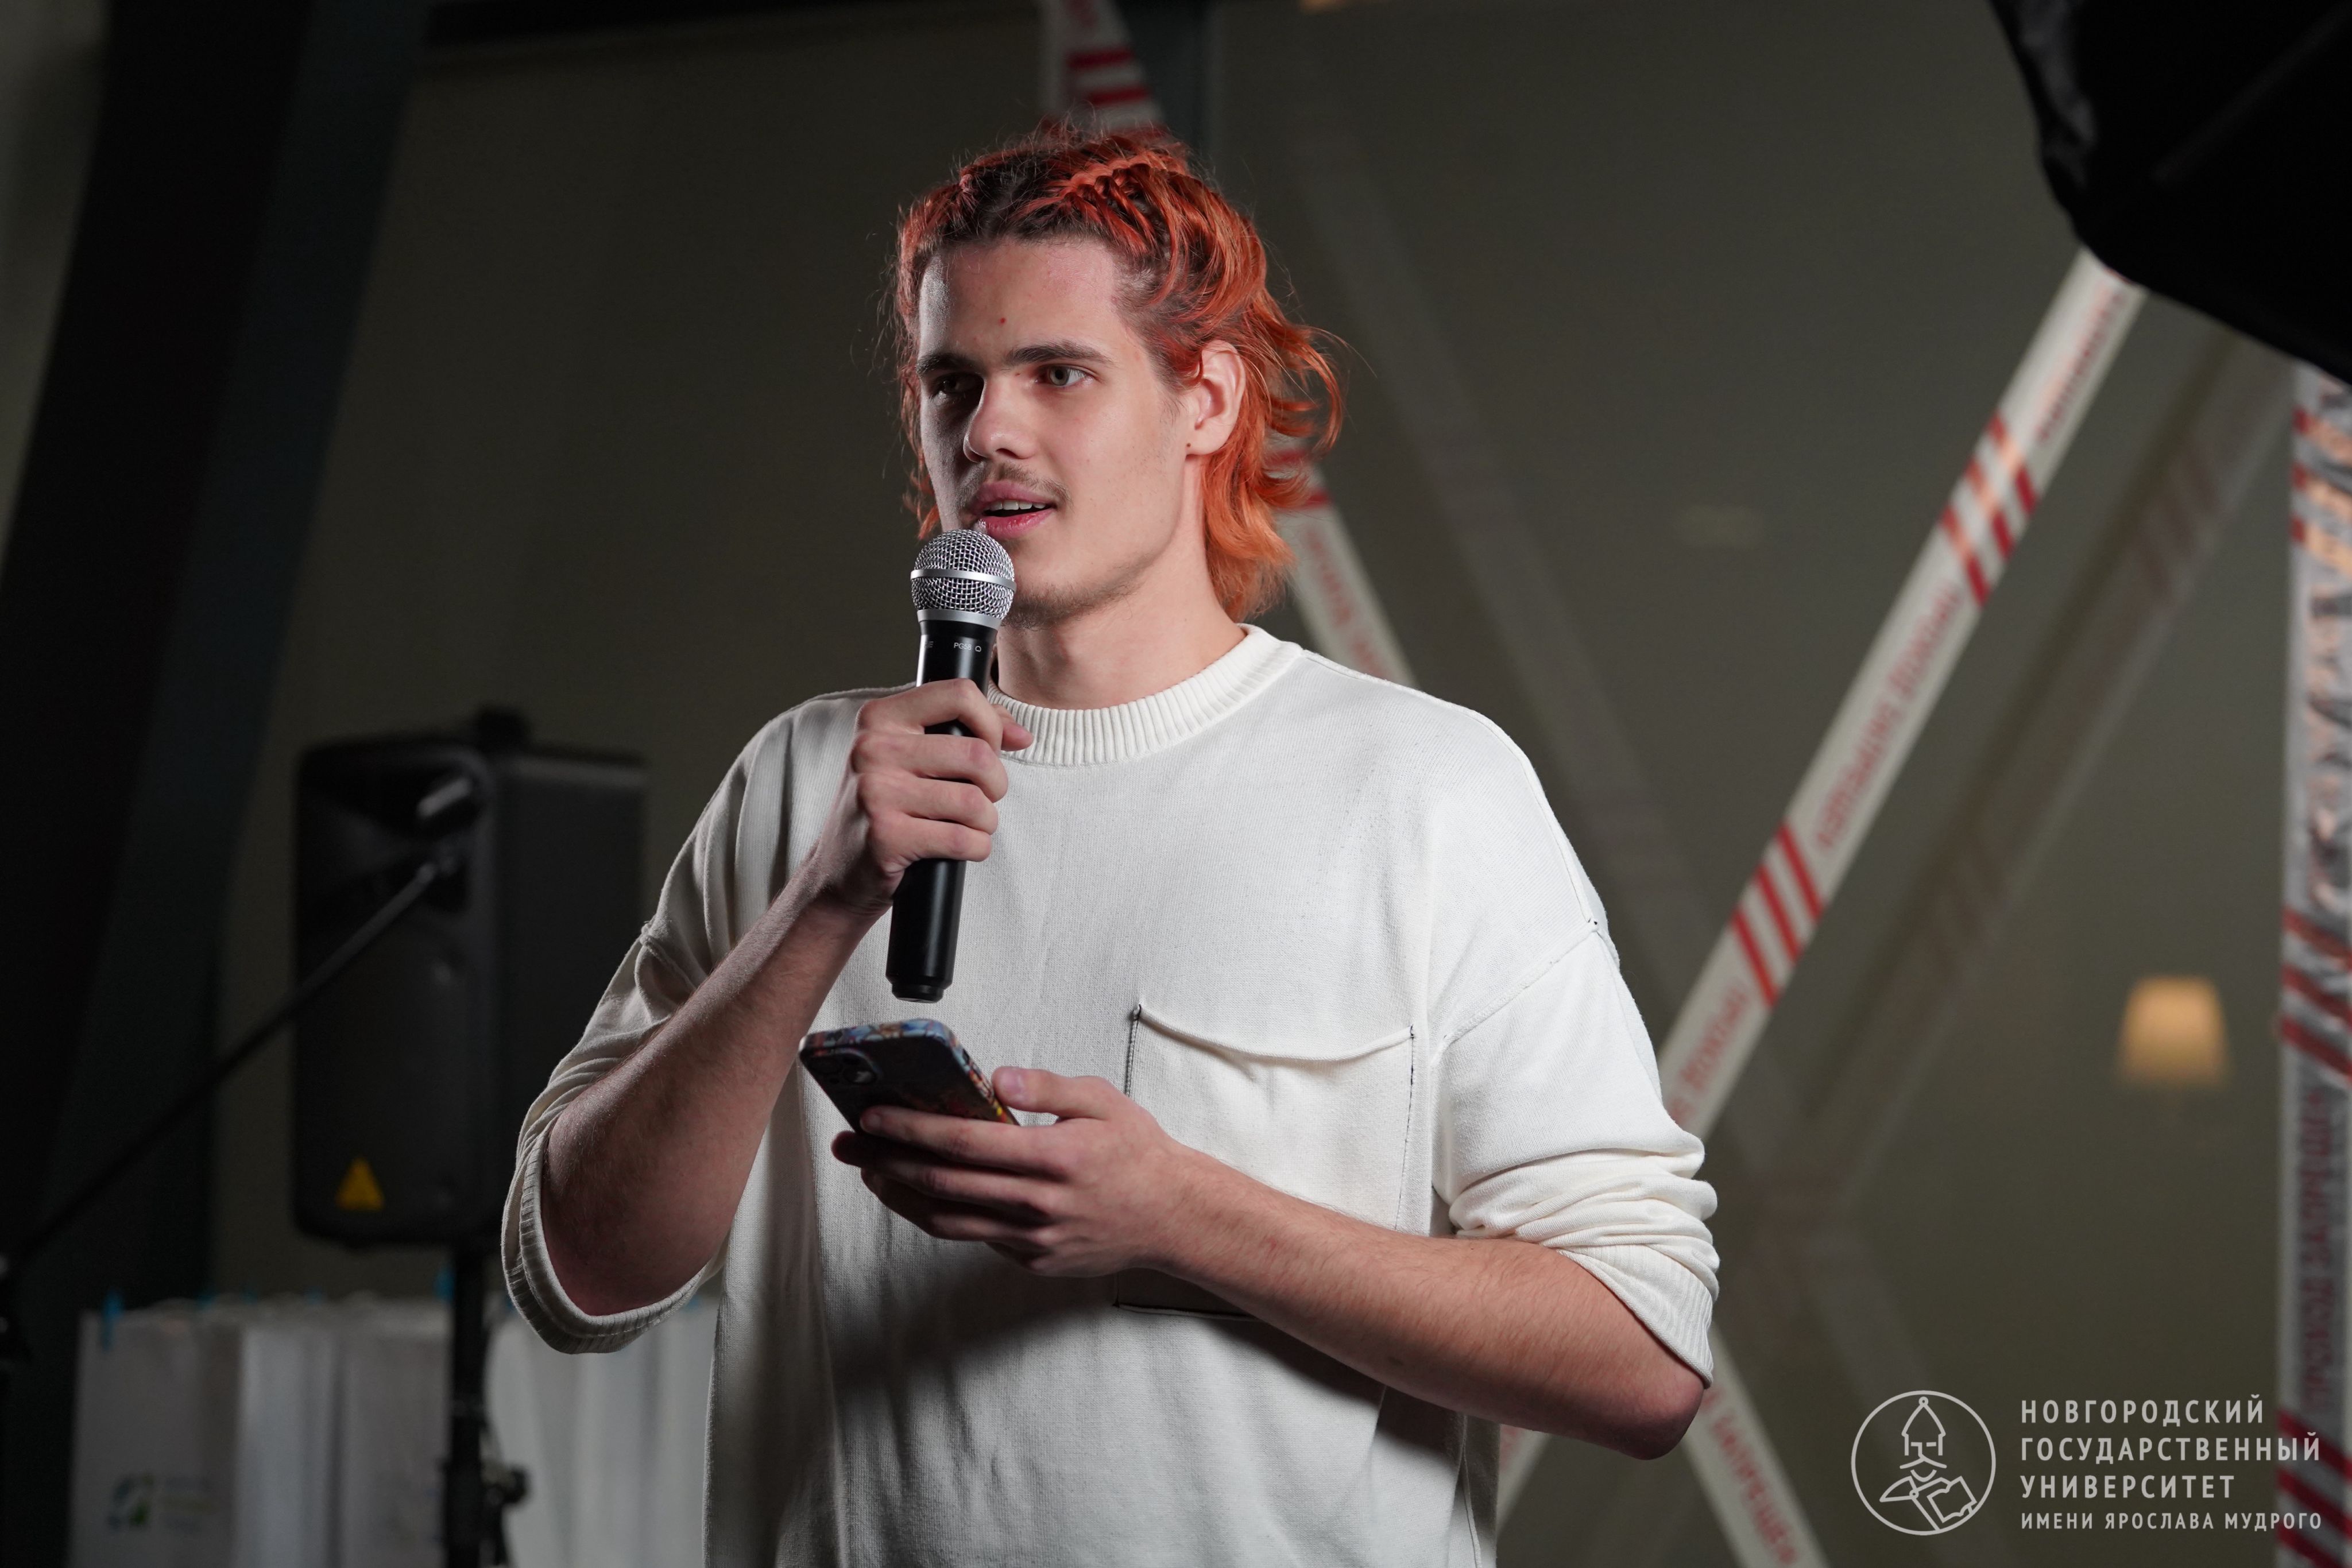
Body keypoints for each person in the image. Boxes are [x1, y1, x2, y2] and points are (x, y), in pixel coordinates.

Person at [504, 125, 1719, 1567]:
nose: (986, 434)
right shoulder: (803, 779)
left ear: (1205, 398)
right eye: (951, 383)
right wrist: (819, 905)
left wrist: (1182, 1218)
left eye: (1057, 374)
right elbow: (575, 1275)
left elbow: (1642, 1356)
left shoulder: (1422, 789)